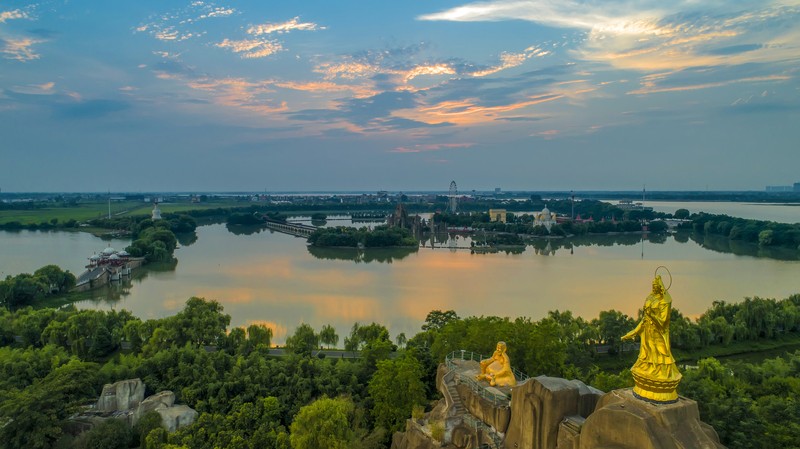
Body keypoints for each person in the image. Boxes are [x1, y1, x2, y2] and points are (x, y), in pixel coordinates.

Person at [622, 274, 682, 399]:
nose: (654, 288)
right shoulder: (650, 298)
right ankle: (649, 373)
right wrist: (632, 333)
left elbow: (663, 322)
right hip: (648, 333)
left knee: (662, 353)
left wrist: (652, 316)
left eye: (656, 286)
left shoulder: (665, 301)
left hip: (658, 332)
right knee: (646, 356)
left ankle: (662, 375)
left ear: (661, 287)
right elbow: (644, 320)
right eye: (653, 286)